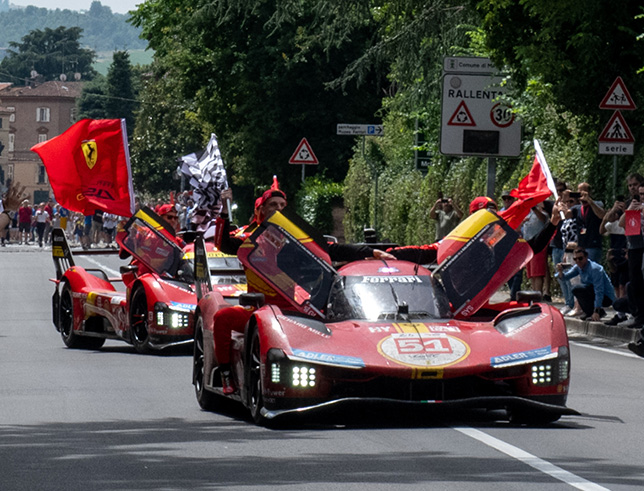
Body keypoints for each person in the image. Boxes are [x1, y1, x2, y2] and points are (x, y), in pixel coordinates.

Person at [215, 184, 395, 394]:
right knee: (222, 317)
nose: (279, 209)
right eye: (273, 205)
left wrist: (371, 252)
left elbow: (331, 249)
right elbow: (223, 244)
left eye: (283, 205)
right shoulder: (250, 239)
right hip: (258, 308)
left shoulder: (297, 238)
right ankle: (226, 373)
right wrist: (225, 212)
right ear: (261, 211)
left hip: (295, 310)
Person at [555, 247, 615, 321]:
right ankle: (589, 312)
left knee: (578, 288)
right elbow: (565, 277)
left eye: (580, 258)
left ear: (586, 257)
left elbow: (599, 290)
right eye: (575, 259)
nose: (578, 261)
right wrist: (560, 271)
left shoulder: (595, 269)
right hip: (592, 292)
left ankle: (597, 312)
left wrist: (597, 310)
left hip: (606, 297)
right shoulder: (578, 267)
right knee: (577, 289)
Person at [618, 175, 644, 331]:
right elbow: (621, 224)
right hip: (635, 247)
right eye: (640, 194)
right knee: (635, 282)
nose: (641, 197)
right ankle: (638, 315)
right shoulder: (633, 206)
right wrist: (629, 210)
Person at [600, 197, 628, 326]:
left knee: (623, 284)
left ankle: (625, 311)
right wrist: (610, 211)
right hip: (614, 254)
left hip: (625, 253)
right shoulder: (612, 224)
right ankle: (619, 313)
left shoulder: (627, 221)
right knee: (616, 284)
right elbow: (602, 230)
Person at [567, 182, 605, 263]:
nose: (582, 195)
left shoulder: (597, 204)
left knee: (592, 270)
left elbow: (602, 215)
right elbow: (565, 215)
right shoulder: (577, 208)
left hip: (593, 244)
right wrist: (564, 199)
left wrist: (590, 201)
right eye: (579, 192)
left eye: (584, 192)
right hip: (581, 246)